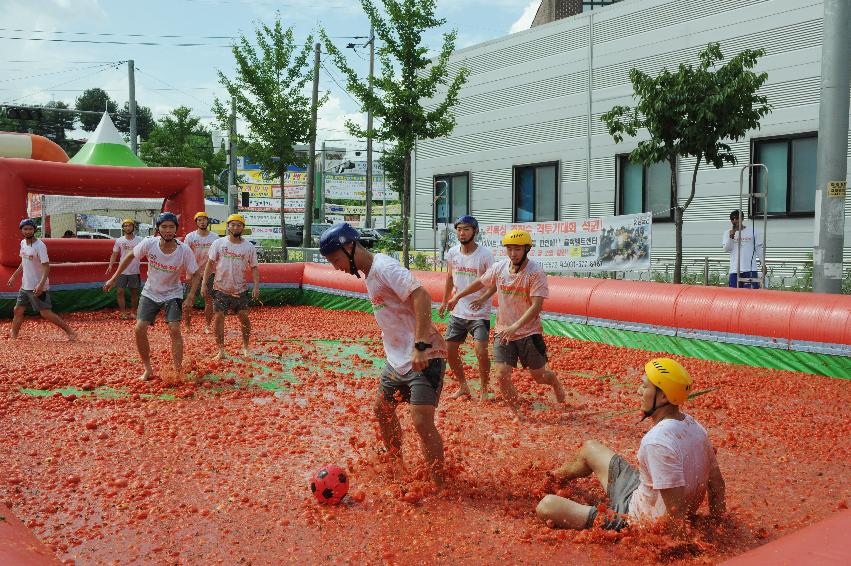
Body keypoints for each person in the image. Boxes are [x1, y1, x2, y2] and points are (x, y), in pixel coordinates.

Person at [319, 223, 448, 484]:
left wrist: (420, 345)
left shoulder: (384, 267)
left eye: (335, 260)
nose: (336, 268)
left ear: (349, 247)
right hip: (397, 360)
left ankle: (440, 482)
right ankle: (396, 464)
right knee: (382, 409)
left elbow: (421, 296)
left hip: (425, 354)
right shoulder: (369, 274)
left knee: (421, 420)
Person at [536, 358, 726, 531]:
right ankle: (551, 479)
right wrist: (717, 526)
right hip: (641, 495)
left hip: (634, 520)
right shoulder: (694, 426)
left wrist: (678, 549)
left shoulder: (657, 442)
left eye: (644, 387)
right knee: (590, 448)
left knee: (547, 506)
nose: (638, 392)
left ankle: (550, 491)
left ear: (663, 397)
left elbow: (675, 515)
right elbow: (717, 484)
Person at [447, 229, 565, 418]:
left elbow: (536, 306)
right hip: (503, 331)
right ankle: (517, 413)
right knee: (502, 375)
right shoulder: (500, 267)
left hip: (529, 332)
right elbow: (480, 282)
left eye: (517, 249)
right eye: (510, 249)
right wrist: (458, 296)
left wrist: (516, 326)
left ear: (526, 249)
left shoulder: (535, 273)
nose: (513, 253)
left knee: (540, 376)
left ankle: (554, 382)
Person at [103, 212, 198, 381]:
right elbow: (130, 256)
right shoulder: (149, 243)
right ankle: (147, 369)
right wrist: (114, 277)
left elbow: (195, 274)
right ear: (158, 229)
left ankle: (177, 370)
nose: (168, 231)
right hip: (151, 292)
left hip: (173, 292)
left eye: (171, 227)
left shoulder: (184, 250)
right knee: (139, 328)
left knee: (174, 329)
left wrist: (191, 296)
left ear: (176, 229)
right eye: (164, 227)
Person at [437, 215, 495, 401]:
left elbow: (493, 282)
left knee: (481, 350)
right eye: (459, 229)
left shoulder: (485, 255)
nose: (462, 233)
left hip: (479, 312)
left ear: (475, 231)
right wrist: (445, 301)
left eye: (467, 229)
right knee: (450, 350)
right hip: (458, 310)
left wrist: (484, 297)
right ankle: (463, 386)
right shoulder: (453, 253)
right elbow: (449, 278)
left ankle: (484, 388)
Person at [6, 219, 77, 341]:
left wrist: (41, 284)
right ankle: (14, 336)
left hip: (37, 286)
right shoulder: (23, 243)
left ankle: (70, 332)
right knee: (17, 310)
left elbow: (46, 267)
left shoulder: (40, 246)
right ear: (21, 230)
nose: (28, 231)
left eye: (30, 229)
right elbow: (23, 262)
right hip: (25, 285)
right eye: (25, 229)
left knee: (45, 313)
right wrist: (14, 276)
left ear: (35, 230)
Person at [202, 214, 259, 358]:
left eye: (239, 225)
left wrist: (257, 286)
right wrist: (203, 283)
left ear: (243, 228)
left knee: (243, 317)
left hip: (240, 289)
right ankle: (221, 350)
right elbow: (210, 264)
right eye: (232, 224)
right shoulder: (219, 243)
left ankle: (246, 347)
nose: (235, 227)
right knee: (219, 317)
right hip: (220, 288)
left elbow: (254, 268)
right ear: (228, 226)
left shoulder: (248, 246)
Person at [183, 211, 220, 333]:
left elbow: (219, 256)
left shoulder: (215, 237)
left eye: (204, 219)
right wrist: (188, 273)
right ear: (196, 222)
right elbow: (186, 255)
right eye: (199, 220)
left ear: (207, 221)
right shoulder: (190, 237)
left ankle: (208, 326)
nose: (202, 222)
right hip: (194, 273)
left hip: (210, 273)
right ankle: (187, 325)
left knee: (209, 300)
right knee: (189, 299)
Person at [105, 218, 144, 319]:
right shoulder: (119, 240)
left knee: (134, 292)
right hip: (122, 271)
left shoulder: (140, 240)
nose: (127, 228)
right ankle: (123, 313)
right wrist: (110, 265)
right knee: (120, 291)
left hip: (135, 270)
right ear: (123, 228)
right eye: (125, 226)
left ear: (133, 227)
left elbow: (147, 252)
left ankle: (133, 312)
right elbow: (114, 254)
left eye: (129, 225)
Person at [722, 209, 765, 289]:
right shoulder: (727, 233)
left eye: (737, 218)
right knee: (734, 296)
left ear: (742, 219)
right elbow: (726, 249)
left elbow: (758, 248)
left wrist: (763, 264)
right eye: (732, 219)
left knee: (751, 295)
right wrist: (731, 237)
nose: (735, 220)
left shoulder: (753, 231)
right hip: (734, 269)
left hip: (750, 269)